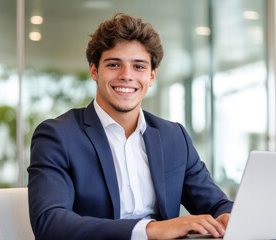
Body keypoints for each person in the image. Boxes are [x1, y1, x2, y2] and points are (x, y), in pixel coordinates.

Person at [28, 13, 233, 240]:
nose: (127, 76)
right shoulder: (57, 136)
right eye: (114, 64)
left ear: (152, 76)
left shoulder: (174, 137)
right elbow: (50, 223)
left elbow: (217, 204)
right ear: (94, 71)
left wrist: (227, 215)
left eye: (138, 66)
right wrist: (150, 230)